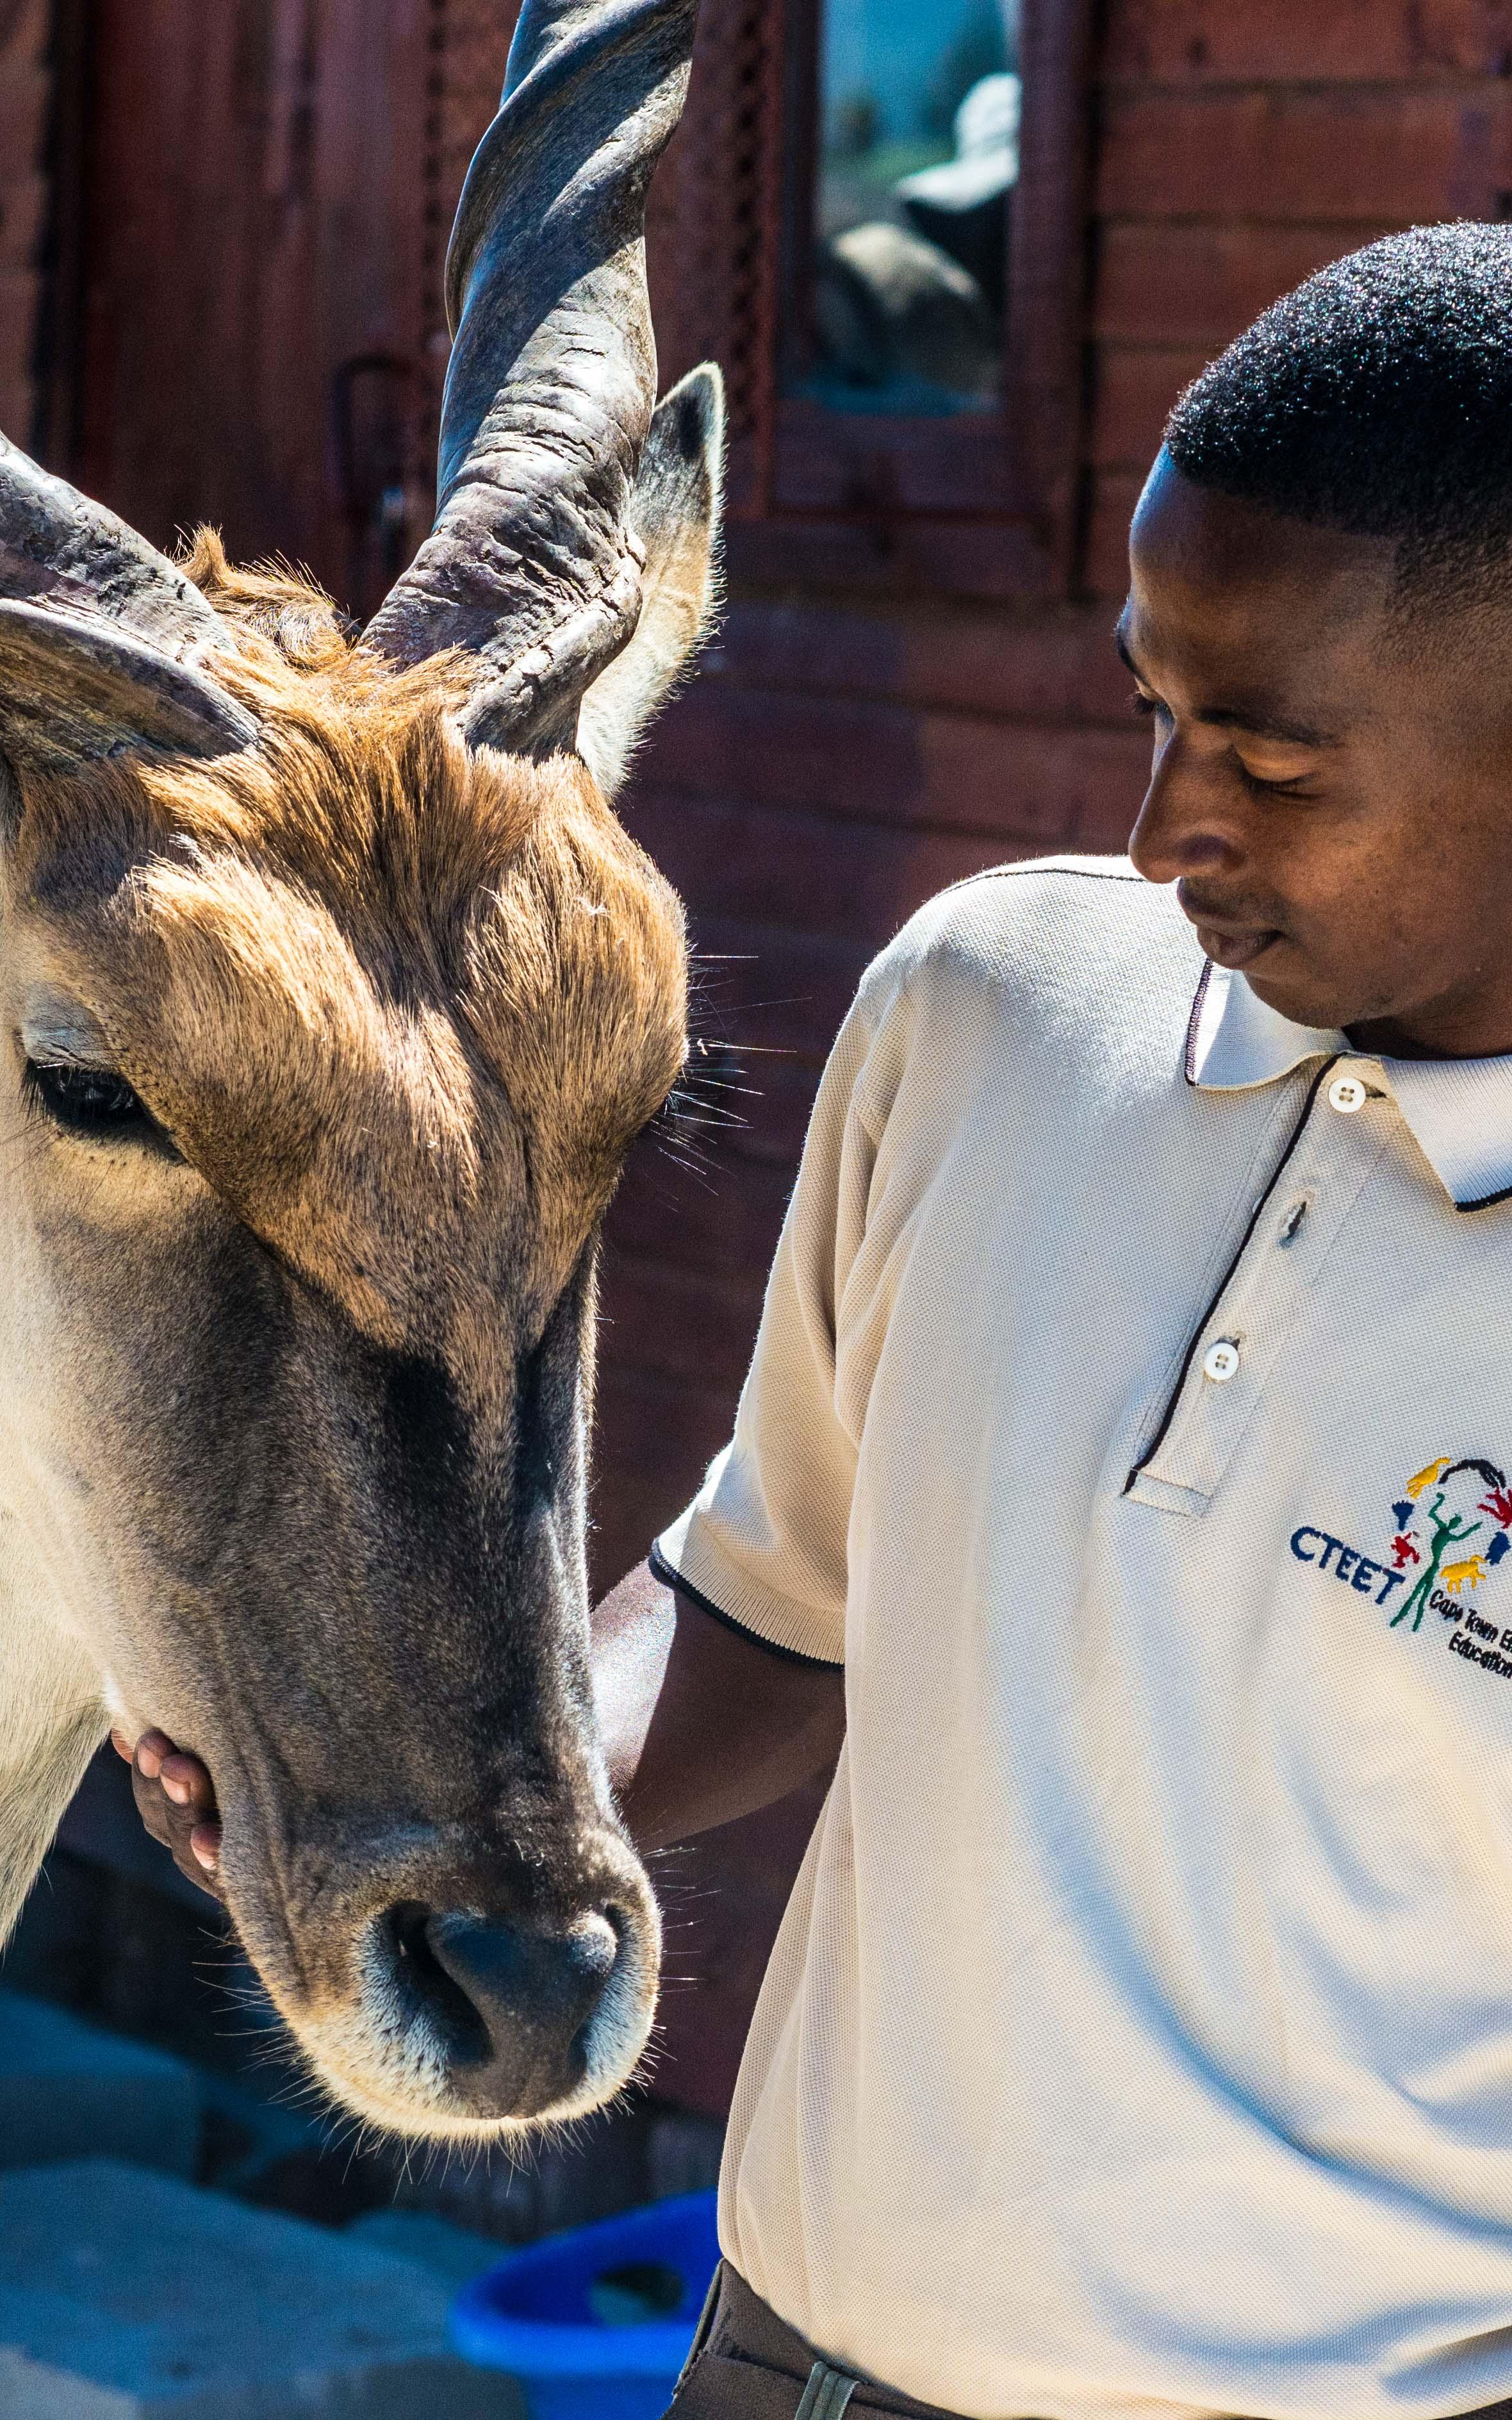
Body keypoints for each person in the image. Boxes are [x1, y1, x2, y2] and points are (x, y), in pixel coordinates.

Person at [122, 222, 1512, 2420]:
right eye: (1150, 706)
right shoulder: (992, 1008)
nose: (1162, 835)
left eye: (1272, 760)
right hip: (777, 2373)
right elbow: (781, 1609)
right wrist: (427, 1779)